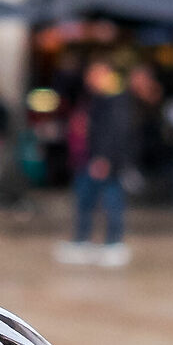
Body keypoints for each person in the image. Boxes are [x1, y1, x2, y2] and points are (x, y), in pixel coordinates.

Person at [58, 59, 137, 266]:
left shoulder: (114, 97)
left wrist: (104, 157)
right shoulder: (97, 97)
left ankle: (113, 244)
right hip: (88, 159)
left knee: (111, 203)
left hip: (102, 161)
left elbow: (115, 131)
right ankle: (82, 241)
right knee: (85, 202)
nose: (89, 79)